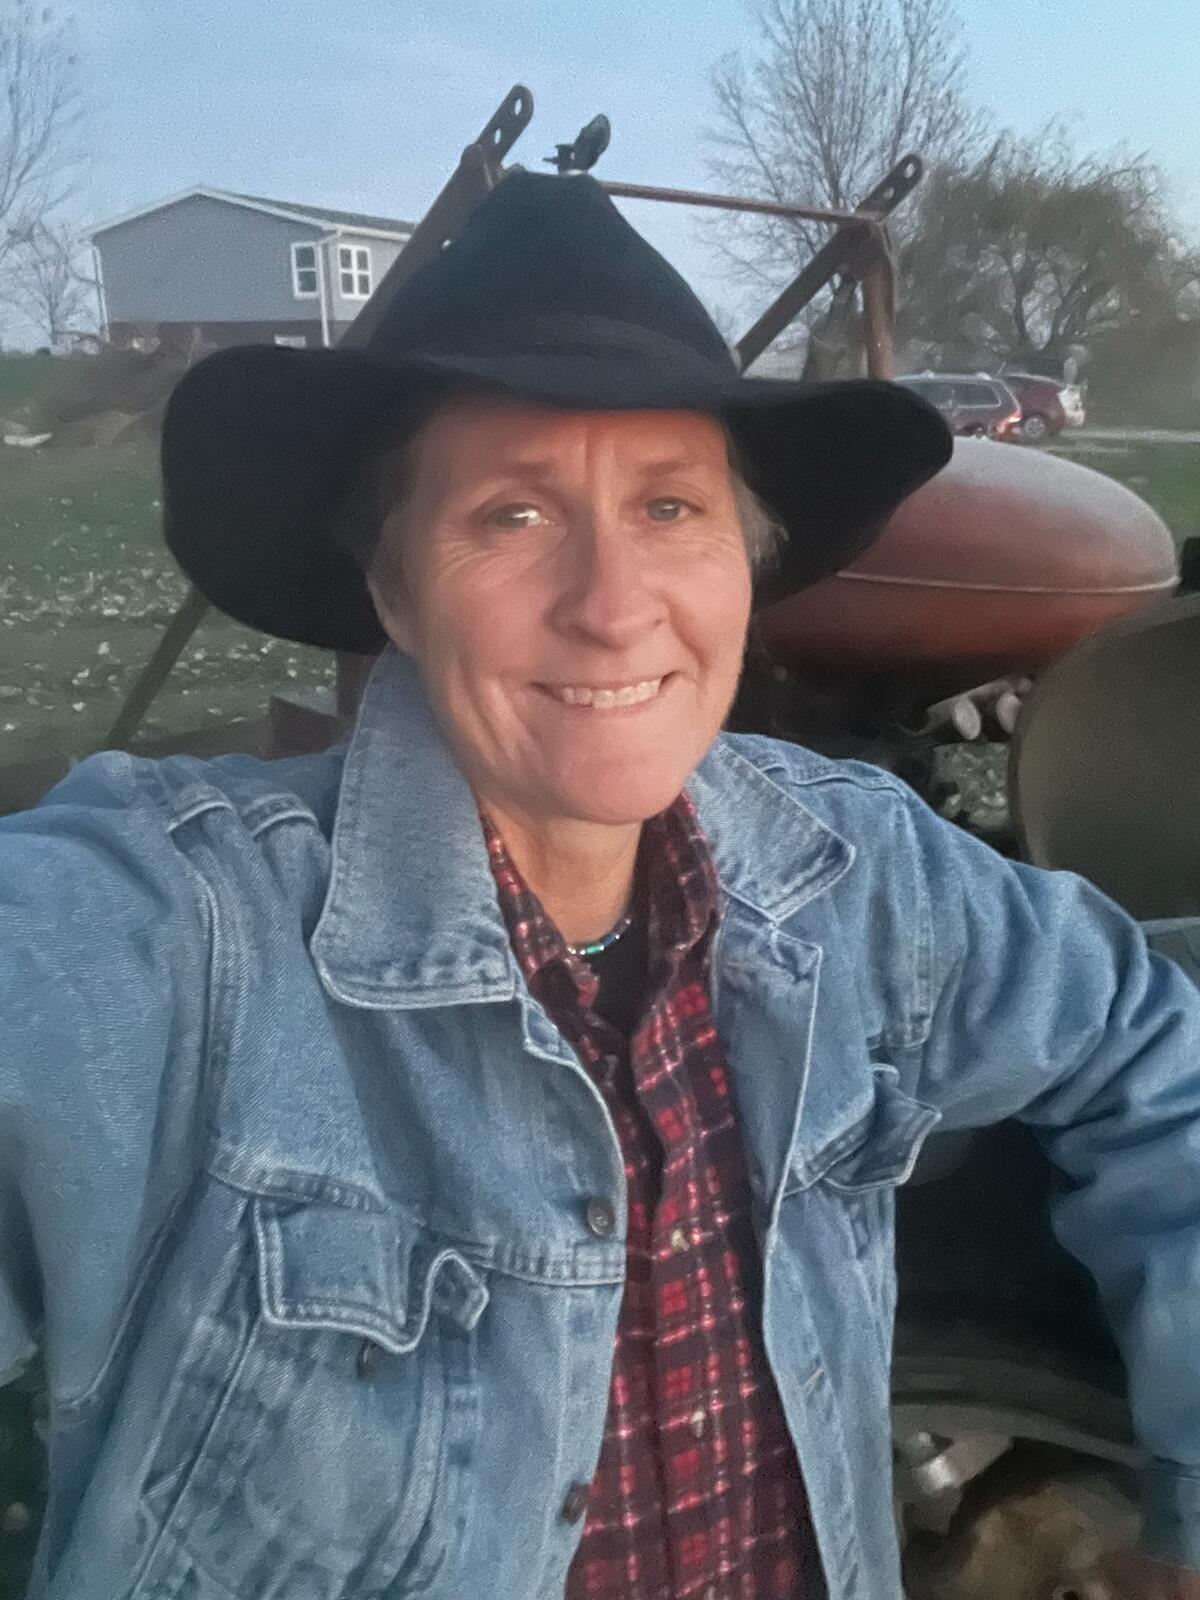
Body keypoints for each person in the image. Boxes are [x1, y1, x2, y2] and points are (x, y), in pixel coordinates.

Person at [1, 171, 1199, 1600]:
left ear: (747, 565)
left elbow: (1149, 1043)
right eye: (510, 515)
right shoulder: (177, 937)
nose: (615, 602)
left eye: (672, 504)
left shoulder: (857, 875)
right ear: (391, 589)